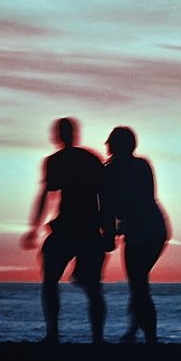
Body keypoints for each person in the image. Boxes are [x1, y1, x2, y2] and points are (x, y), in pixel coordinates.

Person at [22, 116, 108, 344]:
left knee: (56, 282)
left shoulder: (58, 161)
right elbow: (105, 197)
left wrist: (34, 228)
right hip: (82, 228)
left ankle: (56, 333)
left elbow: (46, 196)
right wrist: (107, 230)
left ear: (59, 136)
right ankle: (91, 337)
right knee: (88, 286)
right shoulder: (90, 159)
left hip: (77, 228)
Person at [104, 125, 169, 345]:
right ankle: (135, 329)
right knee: (138, 282)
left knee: (139, 283)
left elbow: (114, 206)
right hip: (151, 229)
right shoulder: (138, 166)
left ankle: (148, 335)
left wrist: (112, 233)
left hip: (145, 231)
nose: (107, 145)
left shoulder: (116, 170)